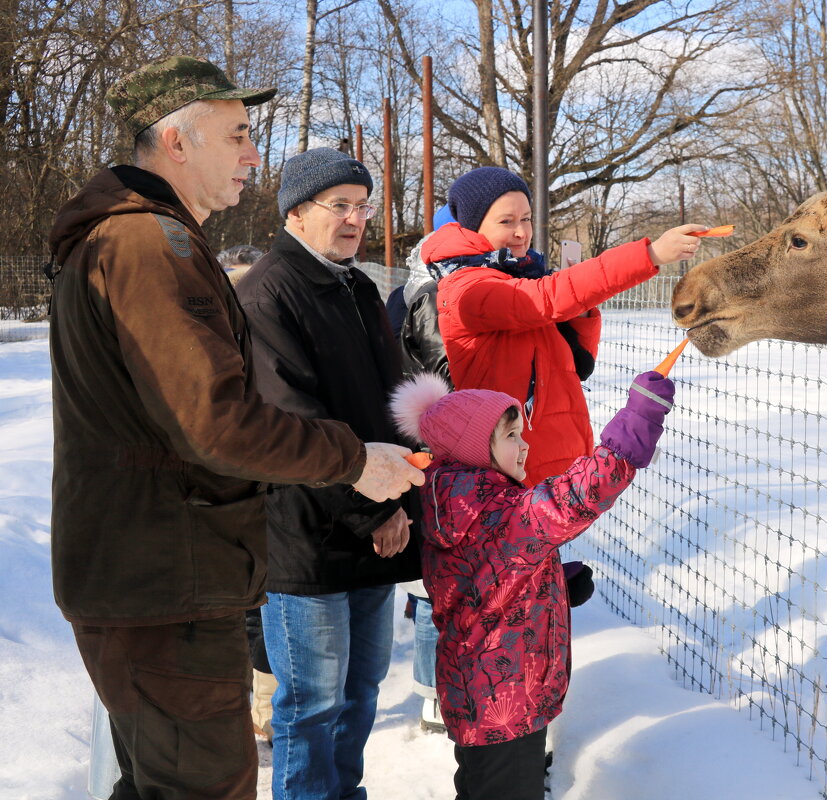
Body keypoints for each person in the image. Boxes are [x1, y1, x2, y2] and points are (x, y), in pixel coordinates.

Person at [46, 56, 423, 800]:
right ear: (178, 144)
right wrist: (353, 462)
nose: (255, 153)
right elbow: (213, 421)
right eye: (240, 134)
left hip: (160, 573)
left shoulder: (147, 239)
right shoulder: (149, 245)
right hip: (167, 582)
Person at [390, 366, 675, 799]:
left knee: (479, 787)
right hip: (506, 704)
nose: (524, 445)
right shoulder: (497, 511)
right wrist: (637, 425)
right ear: (472, 447)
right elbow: (575, 496)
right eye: (510, 437)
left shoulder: (451, 499)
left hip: (481, 696)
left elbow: (483, 582)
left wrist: (549, 581)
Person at [235, 146, 423, 799]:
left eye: (362, 206)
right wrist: (374, 509)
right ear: (295, 212)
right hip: (306, 536)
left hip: (376, 526)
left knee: (358, 696)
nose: (355, 219)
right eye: (339, 206)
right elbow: (292, 417)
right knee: (310, 709)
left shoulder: (356, 285)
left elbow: (387, 399)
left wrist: (400, 503)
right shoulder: (269, 293)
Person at [398, 166, 703, 485]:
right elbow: (545, 298)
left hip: (551, 468)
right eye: (506, 221)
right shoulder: (467, 288)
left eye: (526, 218)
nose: (521, 232)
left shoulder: (522, 275)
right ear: (473, 228)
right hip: (508, 481)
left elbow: (574, 364)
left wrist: (580, 310)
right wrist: (650, 255)